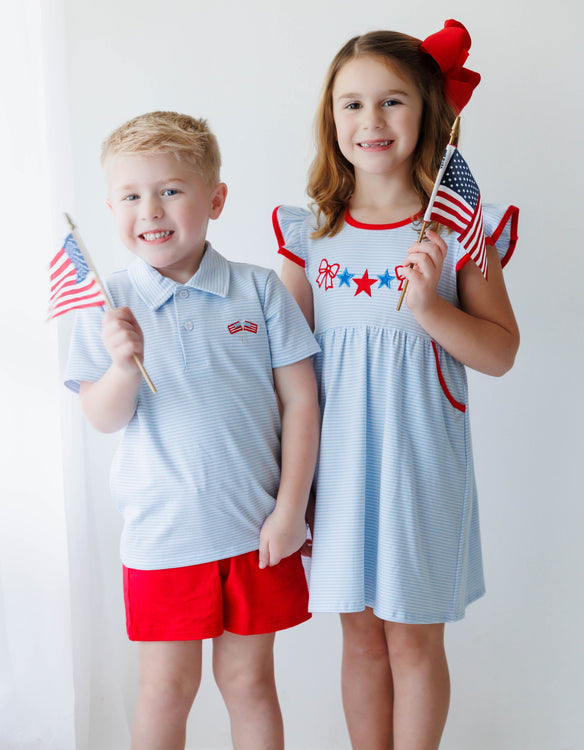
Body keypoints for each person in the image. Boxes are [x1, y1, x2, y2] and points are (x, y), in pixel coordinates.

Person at [273, 21, 520, 750]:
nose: (370, 121)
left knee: (413, 643)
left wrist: (429, 307)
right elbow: (282, 366)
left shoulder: (455, 226)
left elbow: (501, 352)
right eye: (351, 105)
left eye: (391, 102)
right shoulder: (310, 232)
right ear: (331, 119)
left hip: (421, 469)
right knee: (360, 640)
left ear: (429, 112)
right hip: (338, 471)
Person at [65, 111, 321, 750]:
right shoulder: (109, 302)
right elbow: (101, 416)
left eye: (171, 189)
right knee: (166, 689)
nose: (150, 209)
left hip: (254, 529)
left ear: (216, 198)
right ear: (111, 206)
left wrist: (290, 511)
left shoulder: (259, 290)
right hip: (164, 536)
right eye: (131, 195)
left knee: (249, 682)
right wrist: (124, 364)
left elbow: (302, 403)